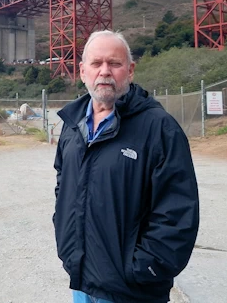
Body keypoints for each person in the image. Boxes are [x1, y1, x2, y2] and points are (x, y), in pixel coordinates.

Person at [53, 30, 199, 303]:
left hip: (132, 290)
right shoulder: (72, 125)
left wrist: (145, 269)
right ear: (83, 71)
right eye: (96, 64)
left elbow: (177, 211)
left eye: (115, 63)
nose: (105, 72)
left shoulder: (159, 127)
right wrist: (65, 238)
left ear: (130, 71)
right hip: (82, 280)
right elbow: (63, 182)